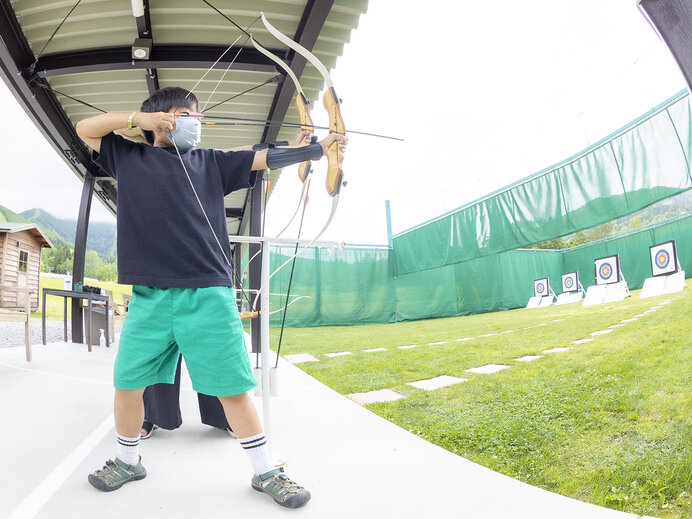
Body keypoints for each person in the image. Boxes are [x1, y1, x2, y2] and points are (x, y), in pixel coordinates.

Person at [75, 86, 347, 508]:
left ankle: (265, 471)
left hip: (208, 294)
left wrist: (318, 148)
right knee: (127, 385)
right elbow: (84, 128)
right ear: (160, 119)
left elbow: (264, 156)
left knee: (233, 388)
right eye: (184, 114)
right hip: (149, 297)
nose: (193, 122)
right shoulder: (128, 157)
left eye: (197, 116)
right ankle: (128, 460)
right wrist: (136, 121)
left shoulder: (211, 162)